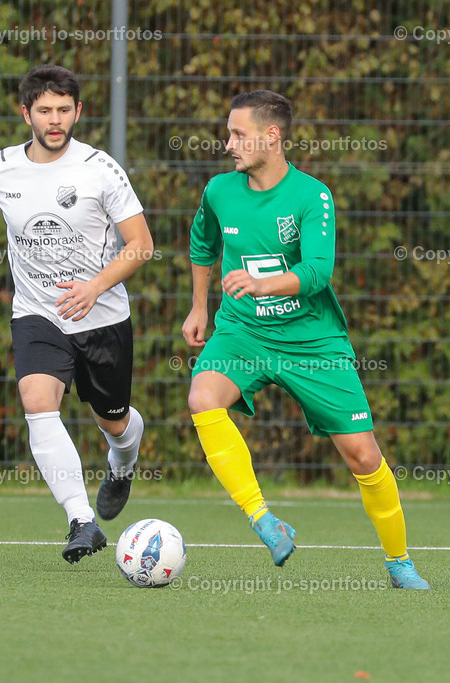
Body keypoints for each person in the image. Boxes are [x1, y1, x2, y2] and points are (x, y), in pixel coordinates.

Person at [181, 90, 430, 589]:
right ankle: (264, 520)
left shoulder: (312, 196)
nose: (228, 143)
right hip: (242, 331)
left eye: (237, 133)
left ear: (272, 136)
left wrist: (261, 283)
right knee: (202, 397)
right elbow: (202, 245)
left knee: (363, 455)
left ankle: (399, 561)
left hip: (311, 341)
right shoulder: (218, 192)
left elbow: (318, 271)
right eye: (227, 132)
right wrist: (199, 306)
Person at [0, 65, 152, 563]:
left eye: (64, 109)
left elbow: (141, 245)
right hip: (37, 313)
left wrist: (96, 286)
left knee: (114, 422)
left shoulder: (100, 169)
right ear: (26, 114)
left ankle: (123, 463)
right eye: (44, 110)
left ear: (78, 112)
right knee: (36, 397)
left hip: (102, 316)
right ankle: (82, 521)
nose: (55, 119)